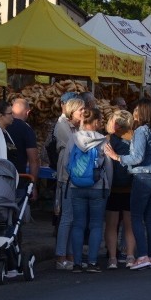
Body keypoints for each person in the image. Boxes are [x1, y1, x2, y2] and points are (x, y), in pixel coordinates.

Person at [104, 98, 151, 270]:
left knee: (137, 217)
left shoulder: (141, 131)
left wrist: (117, 157)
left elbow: (137, 157)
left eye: (137, 110)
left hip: (143, 177)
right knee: (150, 218)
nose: (134, 114)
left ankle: (143, 256)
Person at [68, 108, 113, 273]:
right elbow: (108, 167)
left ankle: (77, 263)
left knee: (78, 225)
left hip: (76, 187)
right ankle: (92, 262)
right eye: (100, 121)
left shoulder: (73, 139)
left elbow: (67, 162)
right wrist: (108, 186)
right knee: (95, 225)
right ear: (95, 122)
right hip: (97, 188)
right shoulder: (103, 141)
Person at [53, 97, 86, 271]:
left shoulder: (75, 127)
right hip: (66, 177)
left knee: (75, 218)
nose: (83, 113)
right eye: (80, 109)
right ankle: (61, 256)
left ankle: (71, 254)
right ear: (72, 111)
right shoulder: (62, 126)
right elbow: (80, 145)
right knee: (67, 218)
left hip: (77, 176)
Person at [104, 110, 136, 269]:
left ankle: (112, 259)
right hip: (131, 187)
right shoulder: (136, 138)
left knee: (111, 225)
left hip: (113, 188)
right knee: (130, 225)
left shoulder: (109, 139)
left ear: (115, 124)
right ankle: (130, 257)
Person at [7, 97, 39, 199]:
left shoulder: (0, 126)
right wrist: (32, 186)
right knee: (19, 211)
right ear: (27, 112)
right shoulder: (26, 129)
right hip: (19, 179)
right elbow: (33, 160)